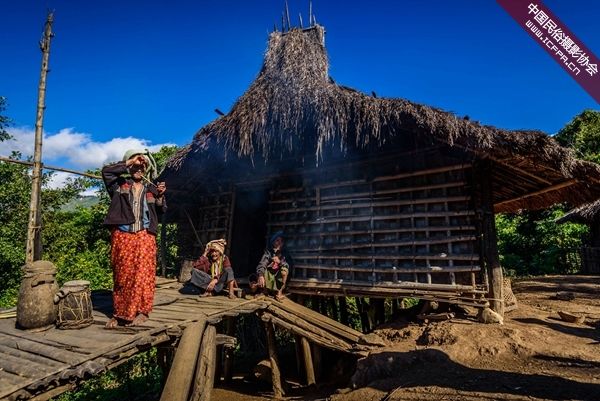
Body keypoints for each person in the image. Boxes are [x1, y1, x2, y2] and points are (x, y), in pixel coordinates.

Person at [101, 149, 166, 328]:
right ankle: (120, 313)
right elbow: (106, 171)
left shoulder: (151, 189)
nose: (138, 169)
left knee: (144, 274)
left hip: (145, 235)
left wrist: (160, 196)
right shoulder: (119, 185)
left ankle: (142, 311)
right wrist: (131, 161)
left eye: (141, 167)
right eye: (135, 166)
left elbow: (160, 211)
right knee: (122, 274)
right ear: (129, 167)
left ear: (146, 169)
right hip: (123, 235)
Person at [256, 231, 291, 300]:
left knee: (284, 271)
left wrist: (280, 262)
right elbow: (263, 263)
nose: (279, 243)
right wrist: (260, 275)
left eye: (281, 241)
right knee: (262, 270)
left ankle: (279, 293)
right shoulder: (268, 252)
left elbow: (289, 265)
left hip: (279, 275)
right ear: (273, 242)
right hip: (270, 274)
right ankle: (264, 291)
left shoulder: (285, 253)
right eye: (277, 240)